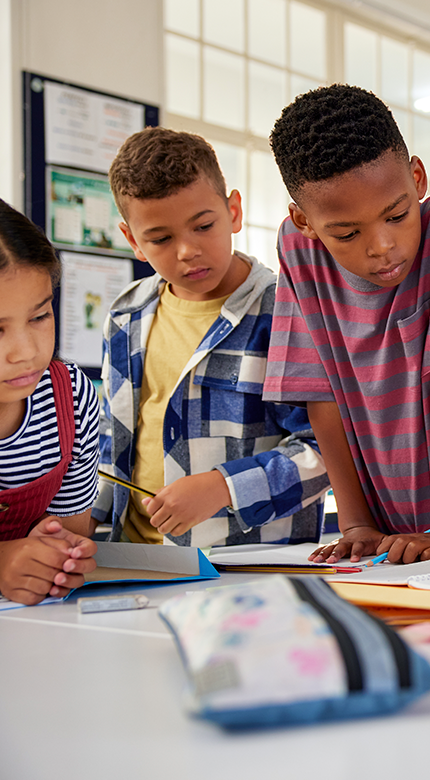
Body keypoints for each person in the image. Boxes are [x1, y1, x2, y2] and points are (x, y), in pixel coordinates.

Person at [264, 85, 430, 565]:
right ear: (304, 222)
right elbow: (320, 394)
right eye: (346, 233)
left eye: (397, 215)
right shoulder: (299, 252)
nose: (382, 246)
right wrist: (356, 522)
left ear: (417, 178)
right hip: (387, 539)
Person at [94, 127, 329, 547]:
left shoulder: (287, 311)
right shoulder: (124, 315)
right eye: (161, 238)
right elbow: (111, 447)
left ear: (234, 211)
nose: (187, 250)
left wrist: (224, 487)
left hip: (245, 571)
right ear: (133, 240)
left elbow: (328, 453)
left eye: (203, 226)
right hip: (130, 559)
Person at [0, 198, 99, 604]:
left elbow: (72, 531)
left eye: (39, 316)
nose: (24, 352)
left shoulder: (70, 397)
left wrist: (61, 555)